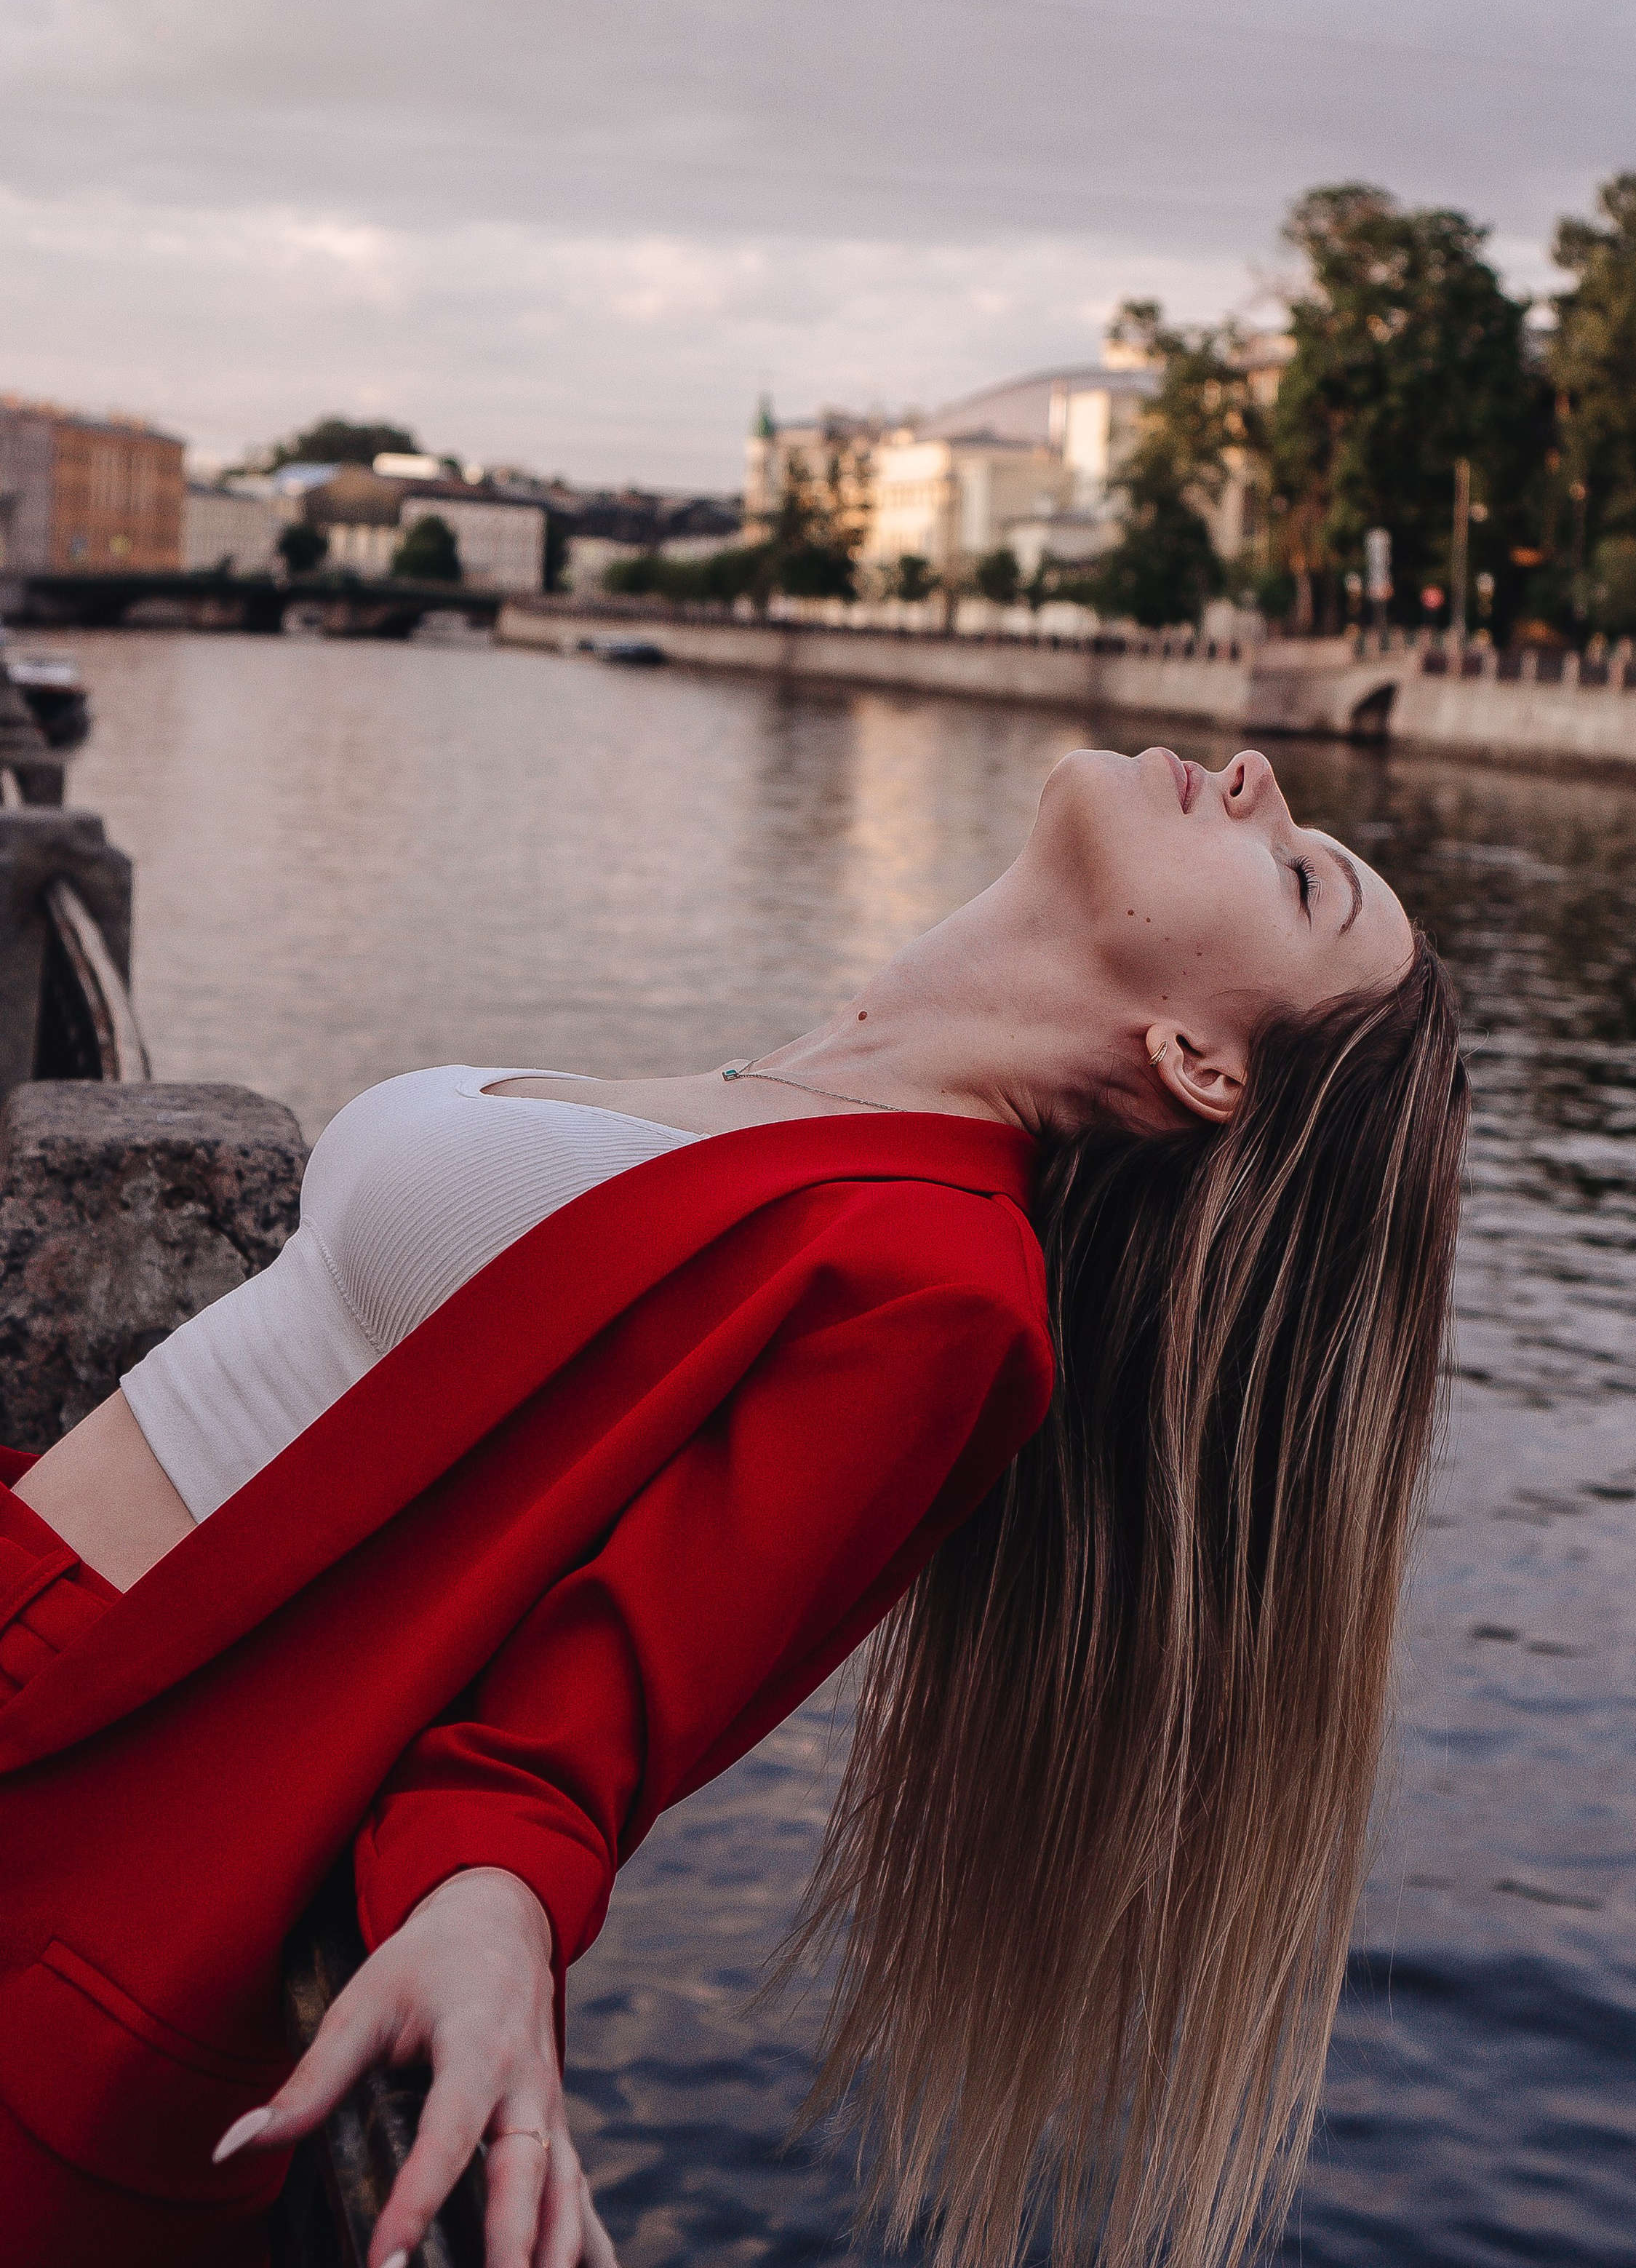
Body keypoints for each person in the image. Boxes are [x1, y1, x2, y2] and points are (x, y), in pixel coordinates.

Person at [0, 744, 1464, 2268]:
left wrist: (495, 1900)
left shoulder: (947, 1293)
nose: (1253, 775)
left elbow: (589, 1716)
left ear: (1199, 1062)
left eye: (1297, 875)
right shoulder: (808, 1096)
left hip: (78, 1805)